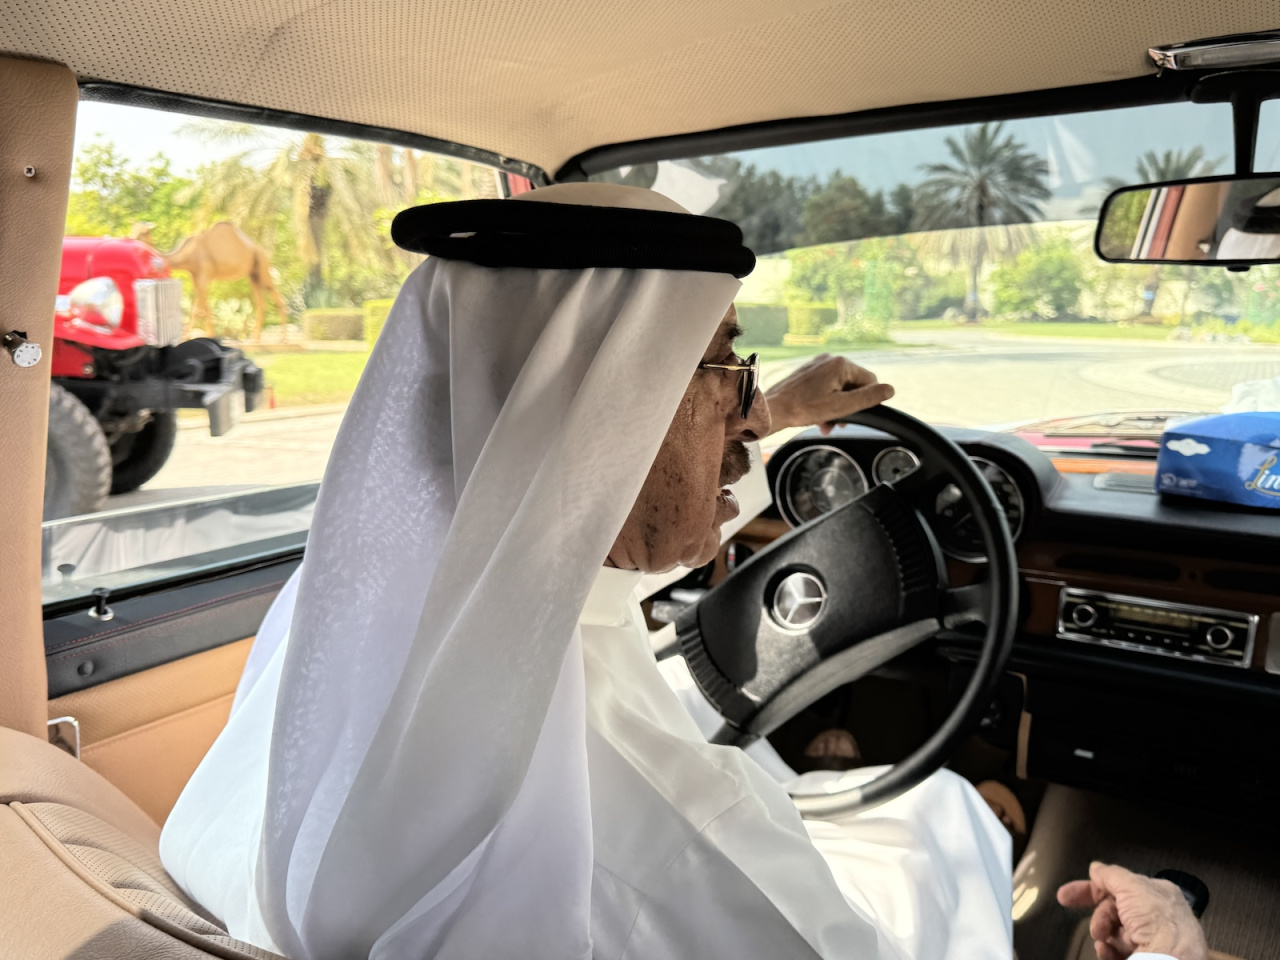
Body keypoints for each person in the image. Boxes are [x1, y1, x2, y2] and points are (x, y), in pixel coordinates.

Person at [160, 183, 1208, 960]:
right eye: (717, 366)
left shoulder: (353, 614)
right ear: (600, 412)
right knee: (934, 814)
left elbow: (576, 534)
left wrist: (772, 413)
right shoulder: (646, 849)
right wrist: (1172, 950)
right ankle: (992, 815)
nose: (744, 419)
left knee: (868, 798)